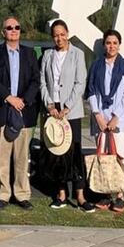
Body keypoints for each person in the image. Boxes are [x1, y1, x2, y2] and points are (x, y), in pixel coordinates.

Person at [0, 17, 40, 210]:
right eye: (9, 27)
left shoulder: (30, 54)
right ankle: (3, 195)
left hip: (24, 112)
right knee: (2, 157)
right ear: (3, 32)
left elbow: (35, 80)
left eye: (17, 27)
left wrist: (23, 100)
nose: (13, 30)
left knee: (21, 157)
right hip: (2, 111)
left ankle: (22, 195)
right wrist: (9, 98)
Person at [38, 19, 92, 212]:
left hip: (71, 111)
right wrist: (50, 104)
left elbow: (80, 83)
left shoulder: (78, 54)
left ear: (67, 34)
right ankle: (61, 193)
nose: (59, 38)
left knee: (75, 153)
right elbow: (43, 81)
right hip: (53, 109)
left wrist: (67, 107)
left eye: (62, 34)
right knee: (57, 152)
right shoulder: (48, 55)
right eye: (55, 35)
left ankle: (80, 195)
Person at [87, 29, 124, 214]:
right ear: (104, 45)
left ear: (119, 44)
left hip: (120, 120)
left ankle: (119, 195)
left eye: (115, 43)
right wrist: (98, 115)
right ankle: (104, 192)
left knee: (119, 156)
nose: (111, 46)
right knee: (104, 155)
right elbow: (91, 91)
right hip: (101, 118)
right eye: (108, 43)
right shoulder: (97, 66)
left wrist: (116, 117)